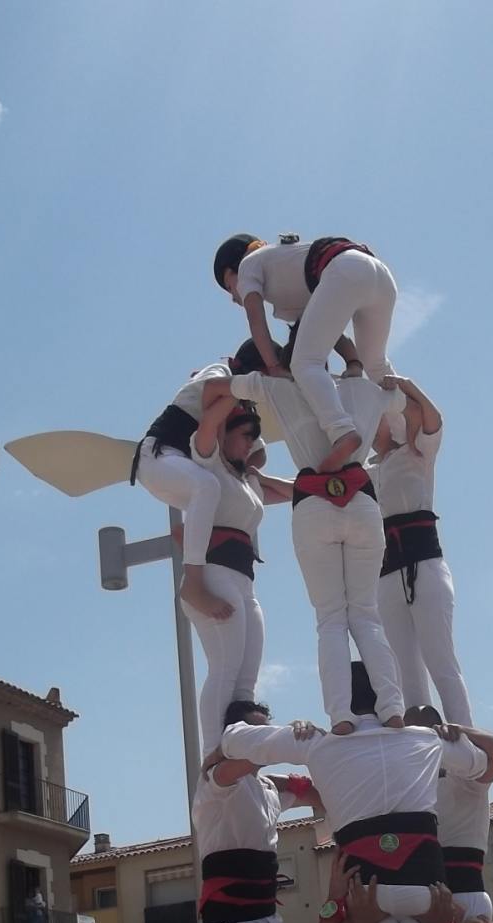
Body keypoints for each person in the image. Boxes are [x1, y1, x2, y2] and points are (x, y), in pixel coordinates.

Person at [222, 664, 493, 923]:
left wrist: (292, 732)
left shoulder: (320, 743)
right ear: (387, 697)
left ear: (337, 699)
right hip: (427, 886)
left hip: (370, 887)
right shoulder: (422, 740)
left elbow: (232, 738)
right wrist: (452, 735)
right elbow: (487, 759)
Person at [197, 362, 407, 734]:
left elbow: (213, 390)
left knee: (331, 619)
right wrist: (372, 372)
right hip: (360, 499)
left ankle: (341, 715)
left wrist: (241, 371)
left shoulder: (281, 388)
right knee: (366, 614)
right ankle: (392, 707)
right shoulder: (362, 390)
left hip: (313, 504)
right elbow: (405, 402)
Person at [134, 375, 286, 757]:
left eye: (255, 437)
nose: (251, 443)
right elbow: (209, 420)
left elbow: (294, 491)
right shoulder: (208, 460)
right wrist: (237, 390)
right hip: (214, 572)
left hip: (244, 580)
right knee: (225, 668)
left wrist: (342, 482)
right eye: (246, 434)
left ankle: (241, 755)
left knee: (246, 681)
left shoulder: (246, 482)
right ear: (225, 433)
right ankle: (213, 758)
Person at [214, 232, 398, 464]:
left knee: (303, 364)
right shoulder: (286, 277)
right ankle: (403, 434)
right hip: (378, 273)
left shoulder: (249, 264)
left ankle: (341, 431)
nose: (233, 297)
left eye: (229, 286)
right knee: (376, 363)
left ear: (233, 270)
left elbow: (256, 319)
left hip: (345, 270)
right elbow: (331, 332)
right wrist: (354, 362)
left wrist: (274, 366)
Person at [194, 698, 319, 923]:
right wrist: (287, 736)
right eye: (255, 731)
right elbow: (251, 757)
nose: (263, 736)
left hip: (266, 915)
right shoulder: (216, 778)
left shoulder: (268, 788)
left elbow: (314, 793)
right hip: (230, 919)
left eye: (266, 730)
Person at [370, 379, 473, 723]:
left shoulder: (417, 453)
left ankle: (466, 739)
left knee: (441, 661)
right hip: (386, 575)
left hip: (425, 565)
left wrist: (403, 384)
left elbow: (430, 415)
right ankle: (421, 745)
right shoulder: (365, 473)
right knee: (405, 672)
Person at [405, 705, 493, 920]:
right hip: (424, 896)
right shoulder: (410, 785)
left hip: (465, 891)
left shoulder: (466, 776)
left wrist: (461, 731)